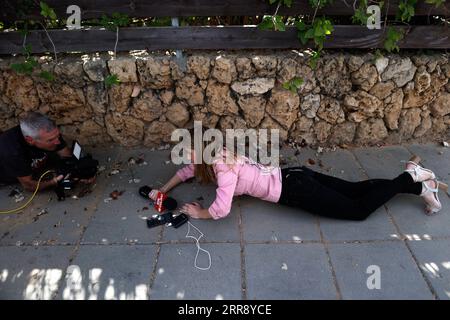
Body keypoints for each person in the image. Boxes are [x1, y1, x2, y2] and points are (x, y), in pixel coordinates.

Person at [148, 127, 448, 220]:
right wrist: (165, 188)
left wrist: (199, 213)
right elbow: (186, 171)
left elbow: (222, 208)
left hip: (295, 190)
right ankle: (421, 184)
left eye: (187, 149)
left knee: (357, 210)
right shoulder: (215, 155)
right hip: (295, 175)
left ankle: (410, 177)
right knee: (356, 189)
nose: (184, 155)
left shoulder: (222, 169)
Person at [0, 112, 93, 192]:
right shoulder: (12, 151)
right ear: (30, 140)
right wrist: (54, 182)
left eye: (58, 136)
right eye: (50, 140)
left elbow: (66, 156)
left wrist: (81, 173)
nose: (58, 141)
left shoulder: (50, 133)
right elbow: (29, 185)